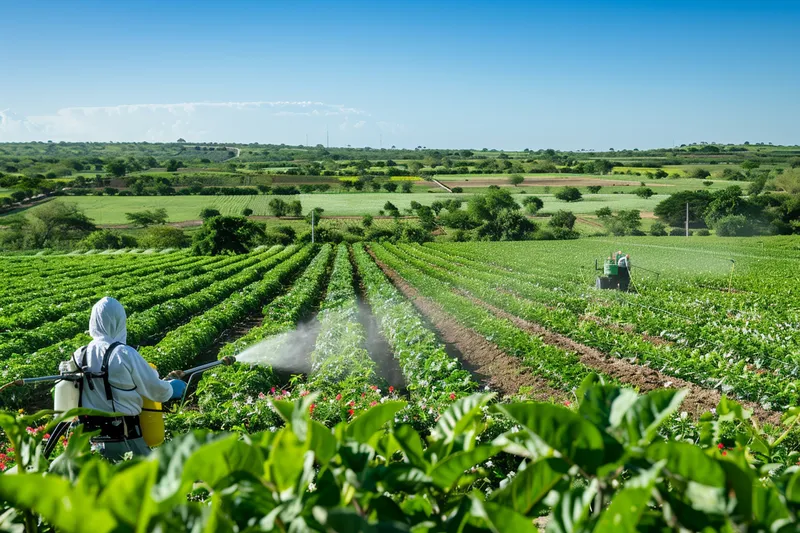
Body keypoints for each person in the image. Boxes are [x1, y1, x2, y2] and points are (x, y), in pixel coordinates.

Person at [72, 297, 186, 461]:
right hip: (126, 436)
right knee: (149, 480)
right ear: (120, 321)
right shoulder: (123, 353)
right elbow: (156, 391)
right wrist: (171, 387)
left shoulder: (80, 354)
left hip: (92, 437)